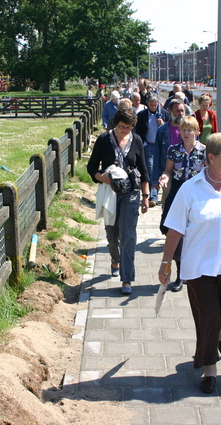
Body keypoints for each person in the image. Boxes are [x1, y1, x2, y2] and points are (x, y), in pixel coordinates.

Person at [158, 132, 221, 394]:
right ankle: (209, 370)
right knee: (208, 318)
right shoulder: (190, 189)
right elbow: (175, 230)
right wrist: (166, 263)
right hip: (199, 267)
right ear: (210, 157)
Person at [87, 108, 151, 295]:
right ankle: (115, 259)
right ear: (116, 124)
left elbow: (144, 170)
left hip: (131, 193)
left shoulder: (136, 140)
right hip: (110, 193)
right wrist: (102, 177)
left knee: (128, 235)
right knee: (112, 233)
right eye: (122, 127)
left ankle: (127, 279)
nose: (125, 130)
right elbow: (91, 167)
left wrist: (146, 196)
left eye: (129, 128)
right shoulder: (103, 140)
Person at [157, 116, 206, 292]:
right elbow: (168, 171)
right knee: (175, 234)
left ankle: (194, 273)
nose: (186, 133)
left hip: (197, 195)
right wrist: (165, 177)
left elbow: (207, 175)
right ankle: (178, 276)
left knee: (194, 235)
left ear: (197, 132)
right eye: (183, 129)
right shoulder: (173, 150)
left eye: (189, 130)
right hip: (177, 193)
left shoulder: (204, 151)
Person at [154, 99, 187, 205]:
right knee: (168, 204)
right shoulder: (162, 131)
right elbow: (157, 155)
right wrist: (155, 179)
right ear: (170, 112)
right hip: (168, 174)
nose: (180, 114)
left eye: (182, 111)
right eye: (177, 111)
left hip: (185, 174)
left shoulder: (190, 129)